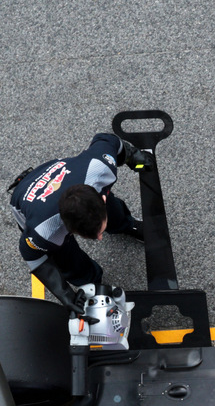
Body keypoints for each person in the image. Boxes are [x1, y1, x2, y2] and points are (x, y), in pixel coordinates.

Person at [8, 133, 150, 313]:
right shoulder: (44, 230)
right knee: (66, 258)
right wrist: (65, 294)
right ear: (69, 229)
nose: (100, 238)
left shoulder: (99, 168)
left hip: (60, 173)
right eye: (94, 235)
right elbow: (32, 256)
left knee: (115, 211)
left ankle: (126, 224)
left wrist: (131, 154)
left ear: (101, 201)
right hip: (26, 197)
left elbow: (108, 139)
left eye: (99, 231)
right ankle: (90, 281)